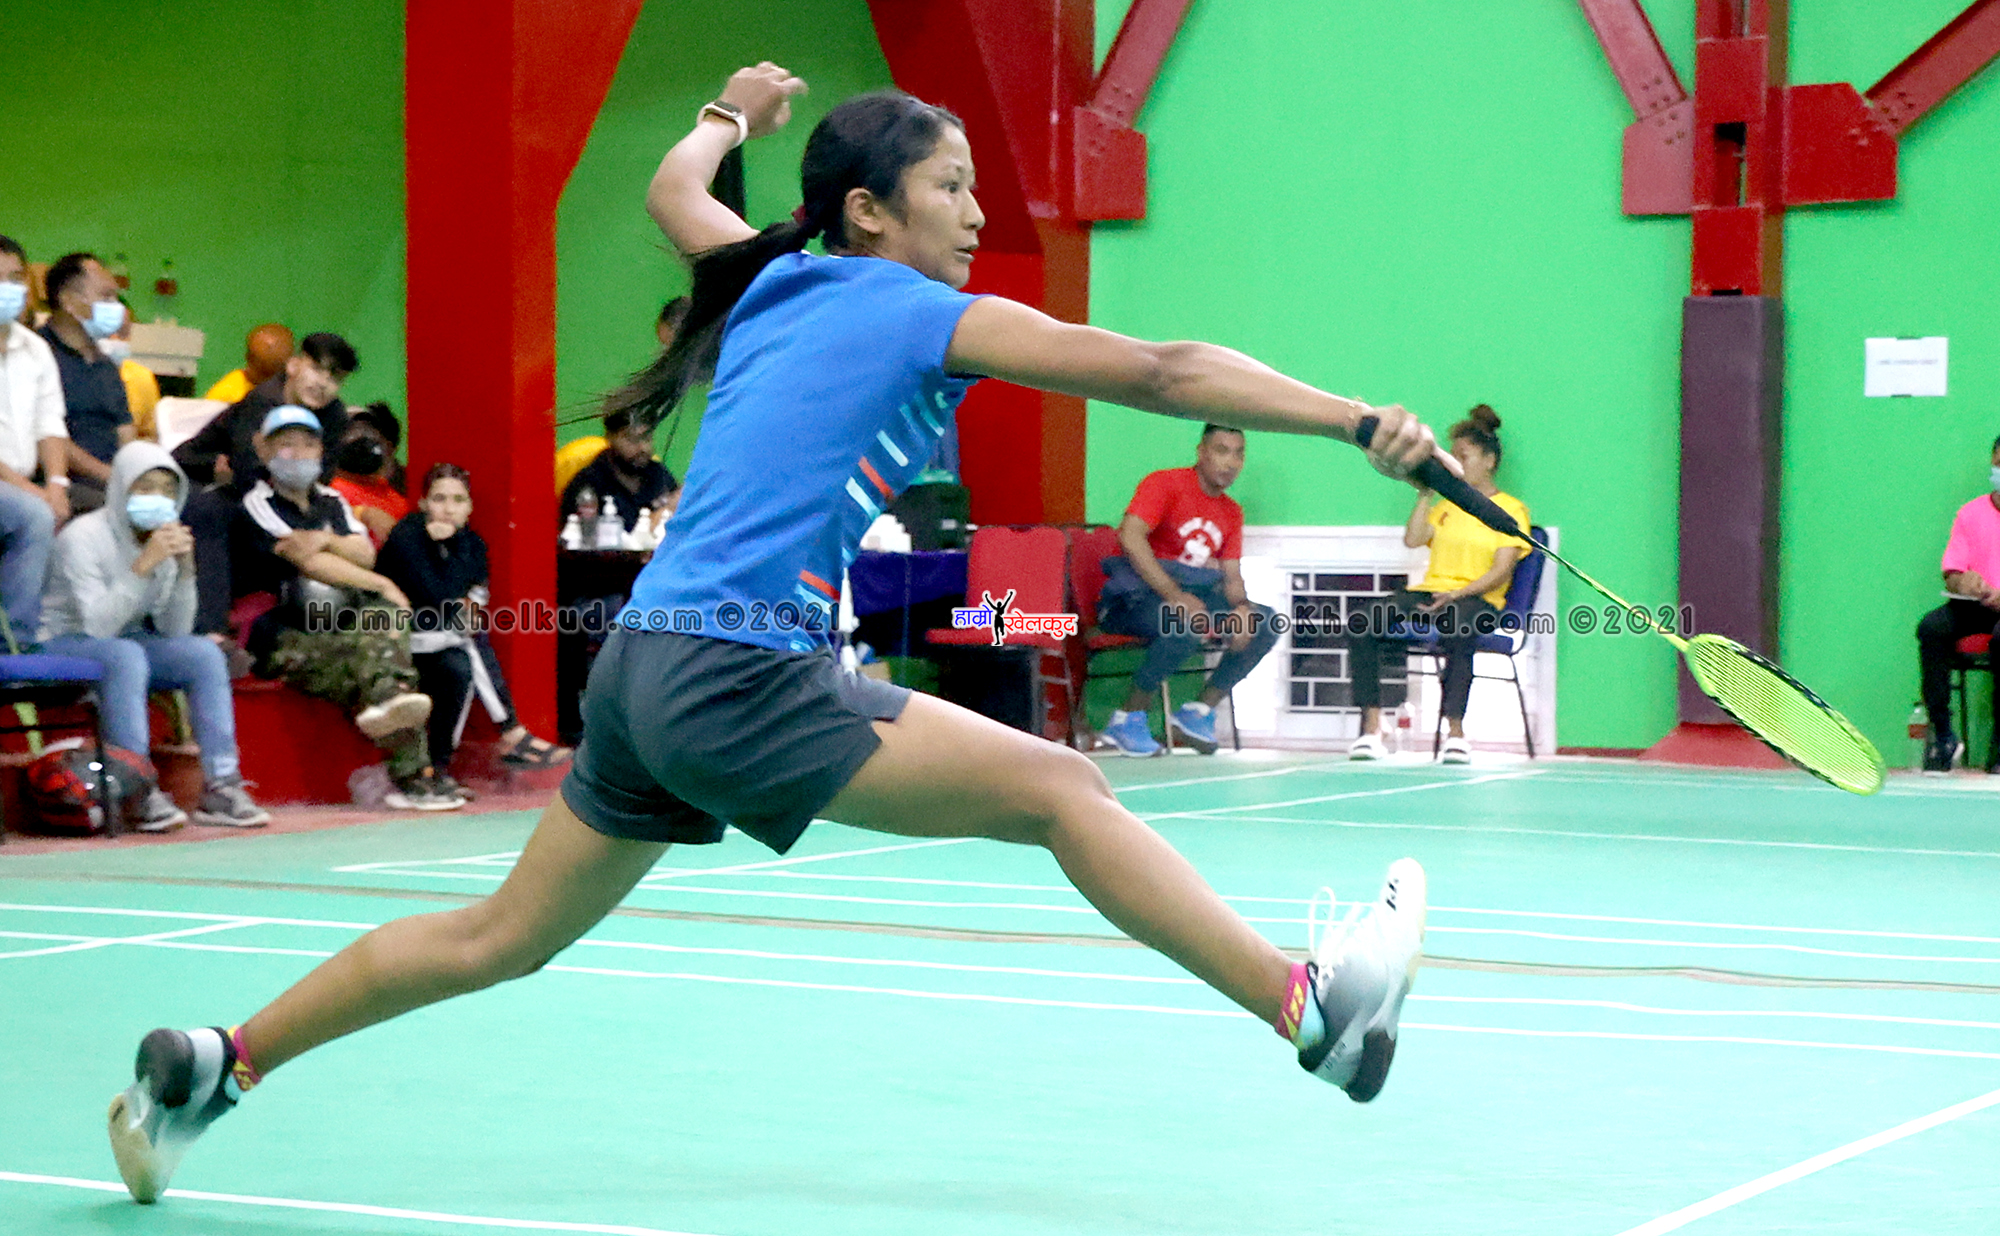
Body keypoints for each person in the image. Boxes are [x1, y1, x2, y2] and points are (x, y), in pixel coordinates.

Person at [107, 66, 1441, 1204]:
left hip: (642, 671)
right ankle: (1309, 1011)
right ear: (869, 212)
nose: (977, 214)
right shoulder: (911, 310)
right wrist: (1353, 422)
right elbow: (1160, 369)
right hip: (735, 668)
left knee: (499, 936)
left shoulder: (769, 280)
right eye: (951, 186)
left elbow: (672, 192)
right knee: (1063, 790)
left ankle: (221, 1063)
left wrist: (727, 112)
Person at [229, 405, 461, 813]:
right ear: (263, 450)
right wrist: (381, 582)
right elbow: (307, 560)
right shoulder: (255, 504)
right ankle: (415, 775)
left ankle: (397, 723)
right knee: (380, 656)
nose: (298, 454)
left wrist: (326, 540)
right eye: (286, 445)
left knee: (386, 619)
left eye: (307, 444)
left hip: (342, 620)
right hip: (283, 634)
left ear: (321, 450)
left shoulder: (332, 500)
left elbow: (364, 553)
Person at [38, 441, 270, 830]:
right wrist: (142, 567)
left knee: (202, 654)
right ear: (121, 489)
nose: (157, 498)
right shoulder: (83, 536)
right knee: (124, 655)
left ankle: (222, 785)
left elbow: (173, 630)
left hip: (127, 639)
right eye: (145, 488)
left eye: (167, 490)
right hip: (64, 640)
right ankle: (136, 786)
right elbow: (98, 627)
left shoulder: (164, 538)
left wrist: (185, 573)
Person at [1347, 405, 1529, 765]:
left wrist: (1458, 593)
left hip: (1477, 600)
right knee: (1362, 622)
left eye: (1464, 456)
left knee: (1457, 626)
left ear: (1489, 461)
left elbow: (1501, 570)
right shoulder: (1447, 506)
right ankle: (1373, 728)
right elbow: (1413, 539)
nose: (1455, 464)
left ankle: (1455, 733)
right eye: (1452, 457)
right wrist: (1425, 493)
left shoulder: (1511, 510)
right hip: (1431, 593)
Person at [378, 463, 571, 794]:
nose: (448, 508)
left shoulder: (473, 544)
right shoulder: (407, 536)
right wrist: (445, 555)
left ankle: (436, 766)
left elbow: (471, 603)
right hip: (392, 637)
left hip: (439, 639)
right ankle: (511, 733)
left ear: (469, 507)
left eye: (458, 500)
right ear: (423, 504)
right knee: (467, 643)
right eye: (439, 499)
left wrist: (454, 550)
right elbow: (436, 595)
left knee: (460, 666)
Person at [1095, 424, 1279, 756]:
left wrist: (1242, 608)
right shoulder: (1164, 483)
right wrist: (1174, 595)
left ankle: (1197, 712)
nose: (1231, 463)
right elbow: (1130, 536)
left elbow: (1231, 574)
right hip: (1132, 600)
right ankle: (1127, 717)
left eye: (1239, 454)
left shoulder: (1231, 511)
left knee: (1265, 623)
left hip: (1188, 599)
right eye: (1222, 451)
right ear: (1201, 452)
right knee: (1185, 620)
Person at [175, 331, 357, 638]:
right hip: (205, 475)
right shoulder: (261, 402)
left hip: (274, 488)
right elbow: (247, 476)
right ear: (293, 365)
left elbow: (322, 478)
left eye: (335, 378)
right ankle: (212, 630)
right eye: (316, 369)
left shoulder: (334, 414)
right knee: (211, 511)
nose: (323, 384)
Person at [1914, 432, 2000, 773]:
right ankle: (1944, 736)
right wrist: (1965, 582)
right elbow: (1952, 573)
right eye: (1998, 463)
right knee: (1931, 628)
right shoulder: (1970, 514)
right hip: (1973, 607)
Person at [0, 235, 68, 643]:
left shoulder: (36, 349)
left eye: (14, 278)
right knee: (33, 515)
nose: (7, 288)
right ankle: (15, 642)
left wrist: (57, 484)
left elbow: (50, 423)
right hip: (12, 486)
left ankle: (62, 630)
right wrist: (31, 491)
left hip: (24, 482)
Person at [39, 253, 135, 514]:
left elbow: (125, 432)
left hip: (111, 482)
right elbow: (46, 434)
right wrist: (110, 476)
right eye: (106, 296)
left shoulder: (106, 365)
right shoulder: (37, 354)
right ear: (68, 301)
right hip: (63, 484)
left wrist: (137, 474)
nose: (116, 307)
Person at [559, 407, 676, 534]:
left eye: (647, 438)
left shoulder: (658, 473)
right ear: (610, 437)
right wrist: (660, 515)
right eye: (632, 440)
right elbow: (582, 542)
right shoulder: (587, 488)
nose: (642, 447)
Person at [327, 402, 410, 547]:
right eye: (350, 432)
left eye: (369, 431)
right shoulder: (329, 491)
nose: (362, 438)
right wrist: (361, 513)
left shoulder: (394, 495)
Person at [104, 300, 162, 442]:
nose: (115, 339)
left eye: (122, 333)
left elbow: (152, 433)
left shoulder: (141, 377)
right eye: (108, 333)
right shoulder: (68, 373)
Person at [203, 324, 294, 406]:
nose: (272, 382)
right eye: (265, 373)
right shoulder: (222, 398)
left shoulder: (292, 389)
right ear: (248, 358)